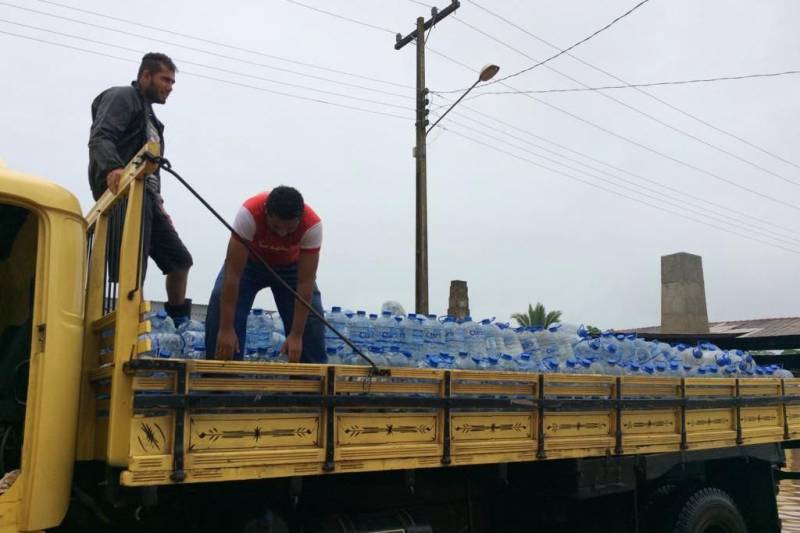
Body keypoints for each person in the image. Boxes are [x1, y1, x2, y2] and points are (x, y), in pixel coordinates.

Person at [88, 52, 193, 324]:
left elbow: (153, 170)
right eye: (165, 79)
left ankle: (177, 326)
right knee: (130, 269)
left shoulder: (152, 120)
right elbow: (101, 136)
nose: (169, 87)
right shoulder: (123, 97)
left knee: (180, 260)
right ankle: (126, 329)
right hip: (124, 194)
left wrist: (159, 203)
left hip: (148, 198)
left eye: (172, 82)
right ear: (145, 76)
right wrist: (113, 168)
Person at [205, 186, 326, 363]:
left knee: (312, 317)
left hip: (291, 268)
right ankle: (220, 381)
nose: (282, 233)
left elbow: (305, 284)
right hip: (249, 264)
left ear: (299, 220)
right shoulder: (249, 215)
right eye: (276, 227)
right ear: (266, 213)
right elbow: (232, 276)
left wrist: (296, 335)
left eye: (290, 229)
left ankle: (310, 385)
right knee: (219, 302)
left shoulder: (312, 226)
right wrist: (226, 329)